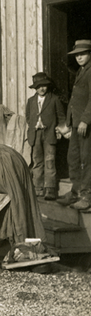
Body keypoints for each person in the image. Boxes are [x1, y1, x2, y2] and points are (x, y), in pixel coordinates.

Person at [59, 40, 91, 211]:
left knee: (87, 160)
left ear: (90, 54)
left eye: (83, 53)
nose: (79, 57)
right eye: (77, 55)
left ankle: (86, 196)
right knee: (73, 158)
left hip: (86, 124)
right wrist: (70, 122)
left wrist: (86, 119)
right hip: (76, 124)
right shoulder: (81, 71)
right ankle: (75, 191)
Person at [25, 72, 65, 200]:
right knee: (37, 161)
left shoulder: (54, 99)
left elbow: (61, 117)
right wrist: (34, 126)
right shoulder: (31, 101)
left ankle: (50, 189)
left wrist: (59, 130)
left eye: (44, 86)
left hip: (49, 134)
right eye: (39, 86)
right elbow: (28, 117)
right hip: (35, 134)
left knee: (50, 161)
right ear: (35, 88)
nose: (42, 88)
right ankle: (38, 188)